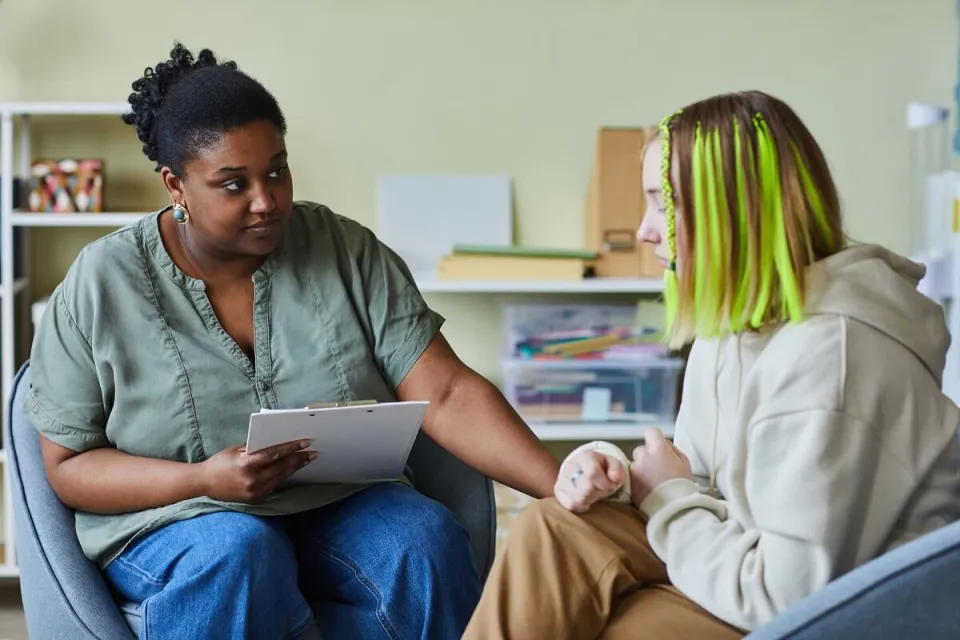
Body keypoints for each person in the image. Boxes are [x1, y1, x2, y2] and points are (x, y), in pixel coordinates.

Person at [26, 43, 560, 640]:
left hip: (338, 502)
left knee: (421, 540)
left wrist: (563, 488)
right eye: (234, 185)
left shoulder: (345, 249)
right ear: (176, 185)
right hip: (177, 518)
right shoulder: (101, 282)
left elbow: (448, 391)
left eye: (276, 170)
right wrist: (201, 480)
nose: (267, 201)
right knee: (238, 550)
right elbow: (68, 466)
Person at [463, 90, 960, 639]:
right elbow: (697, 478)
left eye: (660, 203)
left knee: (624, 628)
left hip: (825, 610)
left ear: (726, 209)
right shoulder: (734, 328)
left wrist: (668, 496)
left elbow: (786, 598)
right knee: (548, 529)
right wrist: (614, 476)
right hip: (743, 559)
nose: (645, 229)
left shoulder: (834, 355)